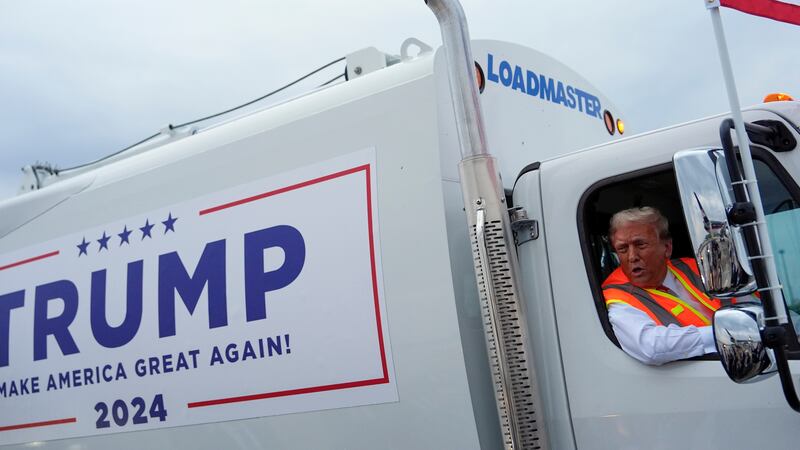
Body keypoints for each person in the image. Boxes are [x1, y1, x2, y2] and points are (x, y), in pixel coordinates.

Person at [602, 207, 731, 365]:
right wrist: (727, 333)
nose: (632, 257)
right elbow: (651, 347)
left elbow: (747, 300)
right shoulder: (616, 295)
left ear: (667, 248)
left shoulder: (695, 267)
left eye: (640, 245)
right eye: (622, 249)